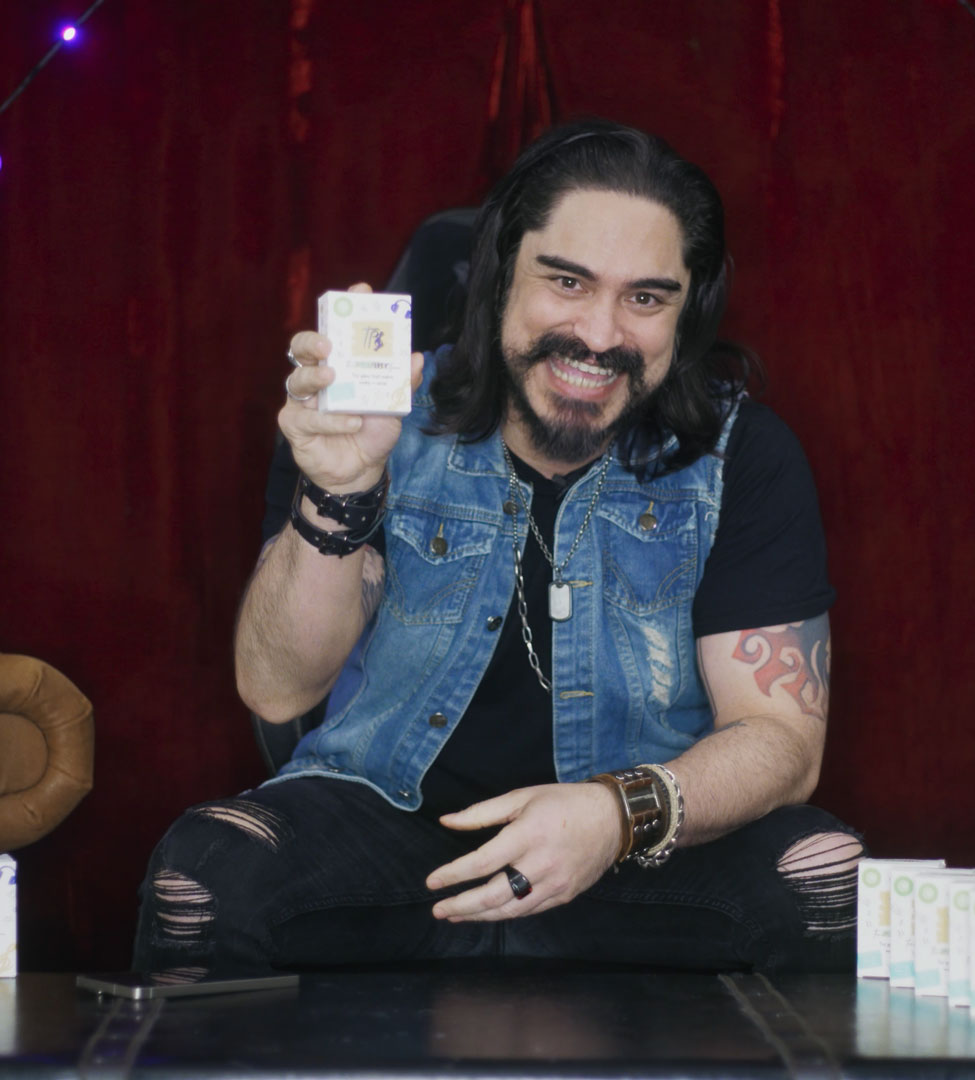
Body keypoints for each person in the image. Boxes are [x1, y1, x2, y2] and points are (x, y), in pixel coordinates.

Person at [133, 119, 863, 977]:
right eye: (567, 281)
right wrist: (341, 485)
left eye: (645, 298)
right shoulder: (377, 423)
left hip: (635, 848)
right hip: (397, 843)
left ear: (687, 310)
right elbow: (278, 684)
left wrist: (613, 816)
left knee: (824, 876)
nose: (599, 333)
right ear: (498, 276)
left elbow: (781, 740)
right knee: (203, 879)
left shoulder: (741, 457)